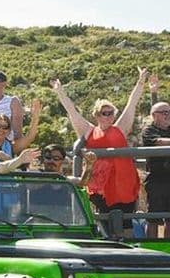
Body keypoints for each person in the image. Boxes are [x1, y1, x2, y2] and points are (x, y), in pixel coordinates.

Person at [51, 69, 146, 217]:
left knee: (126, 220)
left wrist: (141, 81)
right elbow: (72, 111)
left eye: (110, 113)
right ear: (96, 115)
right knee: (104, 218)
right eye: (104, 113)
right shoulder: (89, 130)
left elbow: (132, 103)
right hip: (100, 185)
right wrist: (60, 92)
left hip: (123, 183)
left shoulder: (121, 128)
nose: (107, 116)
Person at [141, 101, 170, 237]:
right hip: (156, 180)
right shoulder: (148, 130)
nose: (168, 115)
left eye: (169, 112)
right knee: (153, 218)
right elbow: (157, 141)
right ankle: (152, 248)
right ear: (154, 115)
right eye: (164, 112)